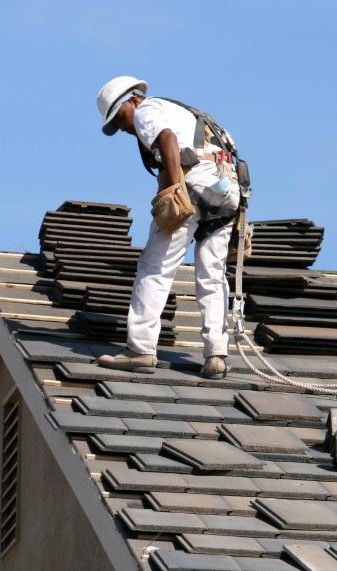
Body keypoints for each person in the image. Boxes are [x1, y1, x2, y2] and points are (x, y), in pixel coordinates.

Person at [94, 76, 243, 380]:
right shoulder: (188, 114)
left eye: (120, 118)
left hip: (195, 180)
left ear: (131, 100)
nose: (123, 128)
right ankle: (216, 356)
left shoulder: (147, 110)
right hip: (227, 190)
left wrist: (175, 191)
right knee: (213, 273)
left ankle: (140, 349)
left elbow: (166, 139)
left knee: (155, 266)